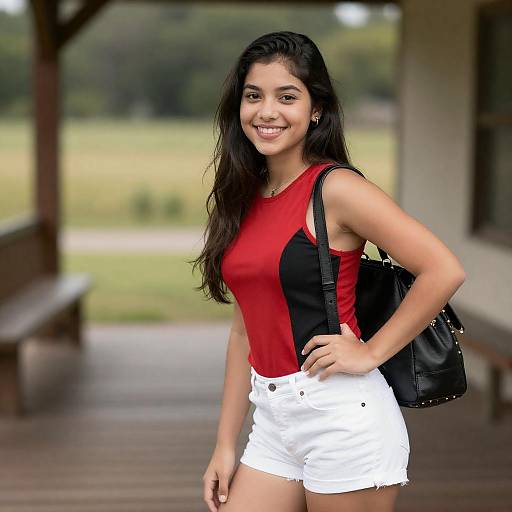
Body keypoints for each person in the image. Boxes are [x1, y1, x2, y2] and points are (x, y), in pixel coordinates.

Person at [193, 31, 466, 512]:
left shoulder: (335, 188)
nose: (267, 111)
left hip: (342, 417)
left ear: (316, 109)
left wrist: (370, 352)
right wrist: (224, 443)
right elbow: (243, 332)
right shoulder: (245, 196)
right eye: (253, 96)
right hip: (273, 420)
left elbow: (442, 269)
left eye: (287, 96)